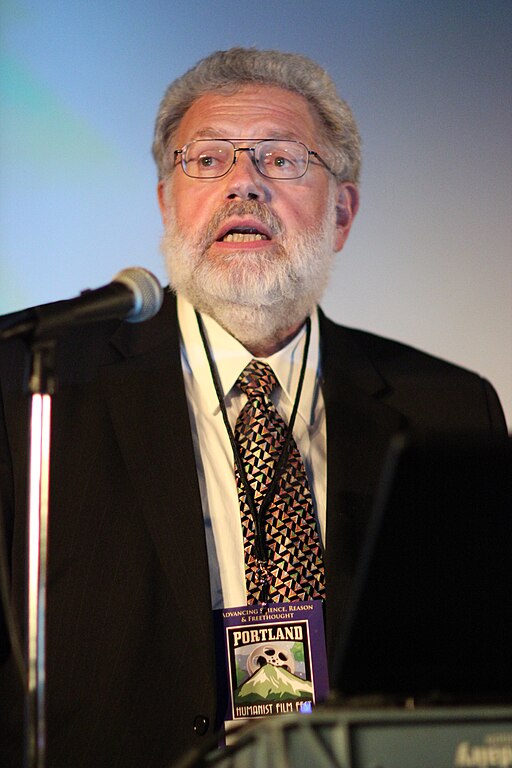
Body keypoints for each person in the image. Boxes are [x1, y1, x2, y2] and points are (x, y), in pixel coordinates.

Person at [0, 47, 506, 767]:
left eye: (281, 159)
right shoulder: (35, 384)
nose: (244, 184)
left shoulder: (448, 407)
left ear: (342, 213)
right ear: (166, 203)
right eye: (207, 160)